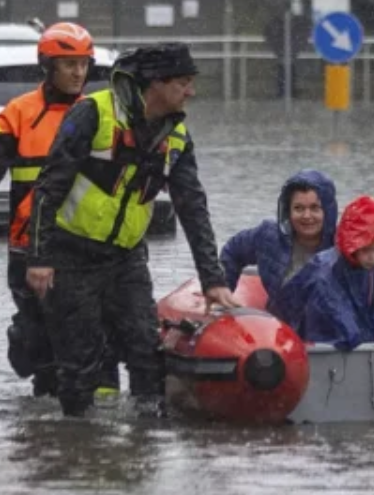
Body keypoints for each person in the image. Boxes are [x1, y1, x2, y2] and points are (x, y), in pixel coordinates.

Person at [27, 42, 241, 418]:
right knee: (80, 363)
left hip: (126, 259)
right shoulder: (93, 113)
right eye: (184, 83)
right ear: (155, 83)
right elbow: (49, 187)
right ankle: (76, 443)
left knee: (146, 349)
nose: (191, 92)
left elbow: (192, 207)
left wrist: (213, 279)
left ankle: (146, 439)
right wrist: (40, 258)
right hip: (71, 254)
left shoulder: (176, 136)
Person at [0, 22, 100, 399]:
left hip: (85, 247)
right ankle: (45, 430)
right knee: (40, 351)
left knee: (86, 347)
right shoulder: (18, 114)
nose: (78, 73)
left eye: (84, 64)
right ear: (47, 66)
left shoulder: (100, 113)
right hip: (28, 246)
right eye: (68, 64)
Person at [272, 195, 374, 351]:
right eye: (366, 250)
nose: (373, 257)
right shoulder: (325, 273)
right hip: (301, 336)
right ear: (351, 245)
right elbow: (339, 324)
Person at [219, 169, 338, 307]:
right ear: (288, 211)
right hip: (277, 324)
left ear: (328, 211)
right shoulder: (268, 236)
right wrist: (224, 290)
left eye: (315, 208)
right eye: (299, 208)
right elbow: (232, 251)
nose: (306, 216)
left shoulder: (341, 246)